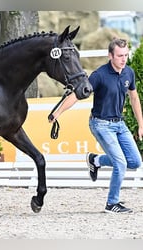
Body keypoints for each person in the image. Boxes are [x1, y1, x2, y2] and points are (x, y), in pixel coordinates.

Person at [50, 38, 143, 214]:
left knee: (135, 161)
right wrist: (58, 112)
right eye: (119, 56)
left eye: (125, 55)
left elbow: (134, 98)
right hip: (100, 124)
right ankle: (111, 203)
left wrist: (141, 125)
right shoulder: (99, 75)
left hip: (119, 124)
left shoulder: (128, 73)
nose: (123, 59)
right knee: (120, 163)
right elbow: (77, 95)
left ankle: (96, 160)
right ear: (110, 56)